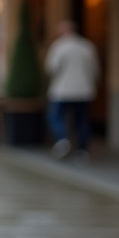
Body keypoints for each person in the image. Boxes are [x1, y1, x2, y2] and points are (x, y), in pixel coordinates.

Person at [45, 20, 99, 161]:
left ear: (64, 31)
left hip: (61, 91)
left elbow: (51, 68)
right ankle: (82, 152)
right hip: (84, 91)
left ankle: (62, 139)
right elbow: (95, 70)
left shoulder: (59, 46)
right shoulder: (87, 46)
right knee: (82, 121)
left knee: (55, 117)